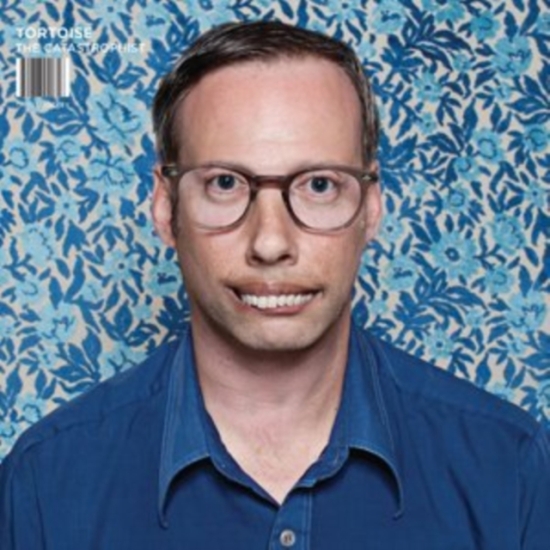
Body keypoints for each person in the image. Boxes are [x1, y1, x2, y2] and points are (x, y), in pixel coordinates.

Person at [1, 20, 549, 549]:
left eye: (319, 185)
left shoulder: (511, 469)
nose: (270, 242)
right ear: (166, 209)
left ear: (371, 209)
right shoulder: (43, 484)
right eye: (224, 183)